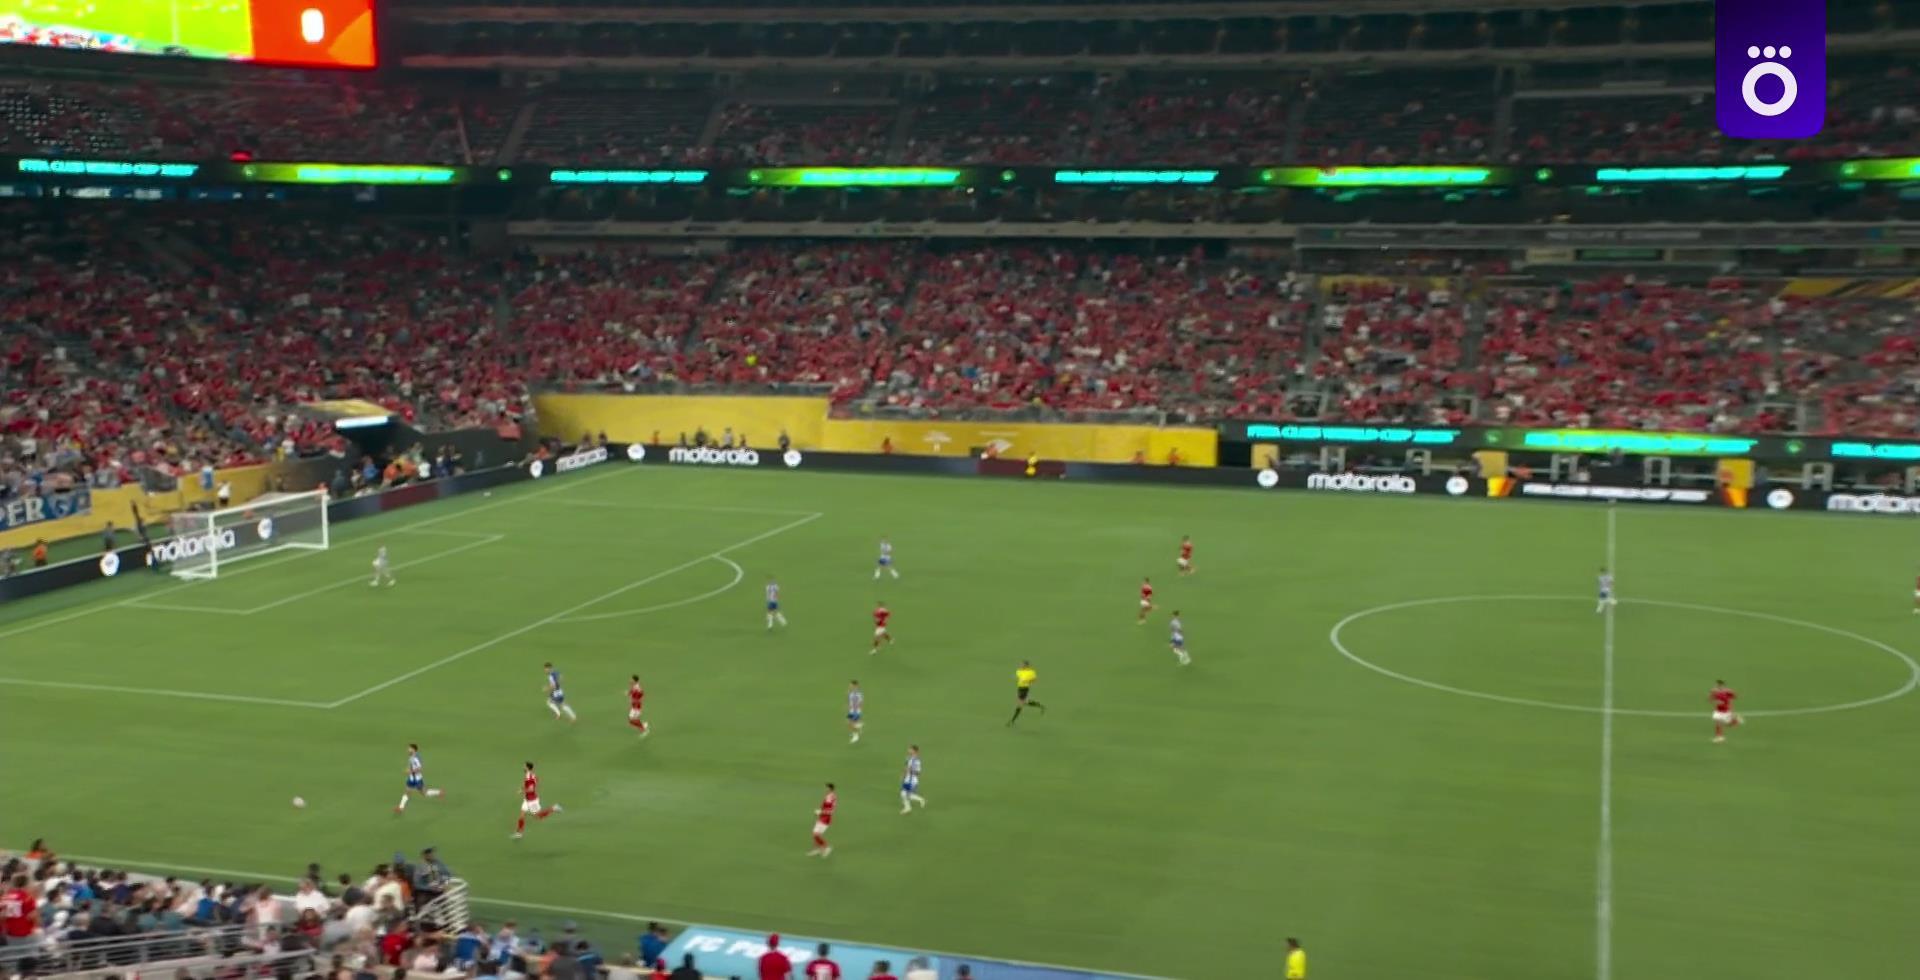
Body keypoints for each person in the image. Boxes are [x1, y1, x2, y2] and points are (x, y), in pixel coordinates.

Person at [513, 762, 561, 839]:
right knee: (522, 815)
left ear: (527, 768)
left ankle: (554, 808)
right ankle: (519, 833)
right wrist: (523, 788)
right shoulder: (530, 775)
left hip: (532, 800)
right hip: (527, 799)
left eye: (524, 766)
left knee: (538, 816)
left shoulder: (530, 777)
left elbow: (531, 789)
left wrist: (522, 791)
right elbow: (528, 785)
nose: (523, 767)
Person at [397, 743, 444, 812]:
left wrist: (410, 771)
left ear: (413, 749)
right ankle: (401, 807)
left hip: (417, 779)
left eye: (409, 748)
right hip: (411, 778)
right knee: (407, 792)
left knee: (424, 793)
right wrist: (409, 770)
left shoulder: (416, 757)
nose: (407, 750)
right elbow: (412, 766)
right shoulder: (411, 756)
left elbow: (420, 768)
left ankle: (439, 792)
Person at [1007, 660, 1046, 726]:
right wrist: (1016, 679)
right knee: (1024, 702)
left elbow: (1034, 680)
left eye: (1023, 665)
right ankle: (1040, 705)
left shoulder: (1031, 672)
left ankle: (1012, 721)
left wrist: (1027, 681)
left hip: (1025, 688)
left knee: (1020, 703)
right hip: (1019, 688)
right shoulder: (1019, 671)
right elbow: (1018, 678)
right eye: (1021, 664)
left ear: (1027, 665)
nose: (1021, 665)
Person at [808, 784, 837, 857]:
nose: (825, 789)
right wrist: (819, 812)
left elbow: (831, 811)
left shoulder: (831, 797)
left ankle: (826, 847)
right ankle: (817, 849)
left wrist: (820, 812)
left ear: (830, 788)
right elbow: (824, 807)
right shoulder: (828, 796)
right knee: (815, 834)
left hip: (826, 819)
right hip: (822, 817)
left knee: (816, 834)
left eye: (826, 787)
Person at [899, 746, 926, 814]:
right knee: (903, 794)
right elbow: (906, 768)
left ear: (914, 751)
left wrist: (911, 771)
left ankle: (921, 800)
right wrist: (903, 775)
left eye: (910, 749)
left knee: (908, 795)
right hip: (907, 779)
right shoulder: (909, 758)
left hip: (912, 780)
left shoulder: (917, 761)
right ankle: (907, 808)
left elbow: (918, 772)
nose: (908, 750)